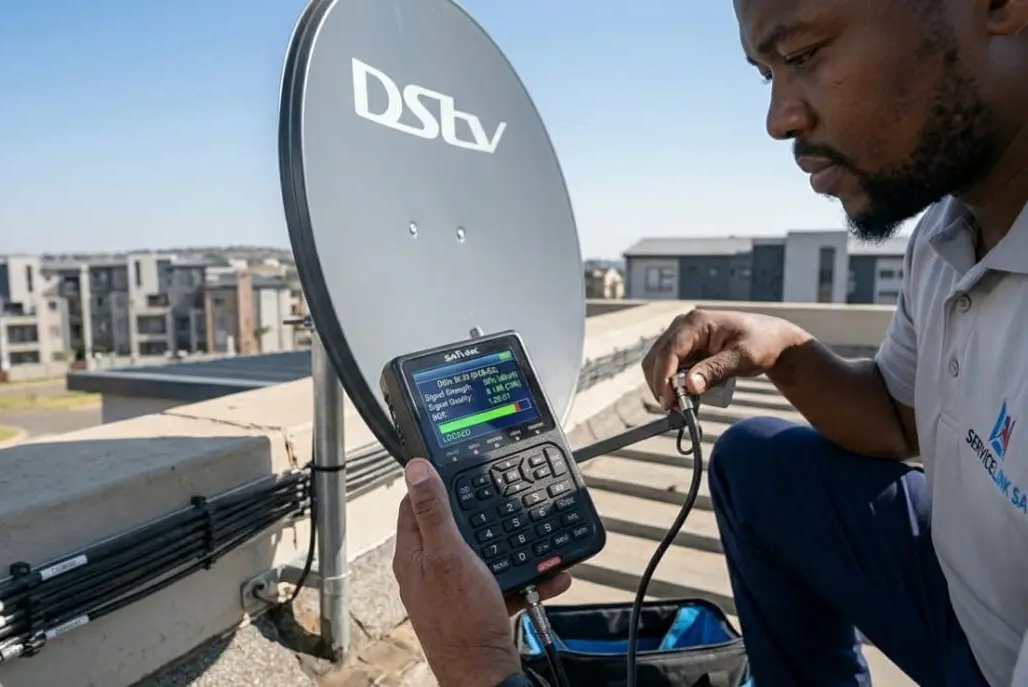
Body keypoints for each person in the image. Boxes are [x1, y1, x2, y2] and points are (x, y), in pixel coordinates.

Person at [392, 0, 1028, 684]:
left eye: (805, 54)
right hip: (973, 594)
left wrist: (476, 662)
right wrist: (784, 349)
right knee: (758, 463)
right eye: (766, 75)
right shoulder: (947, 232)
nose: (779, 118)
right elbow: (896, 419)